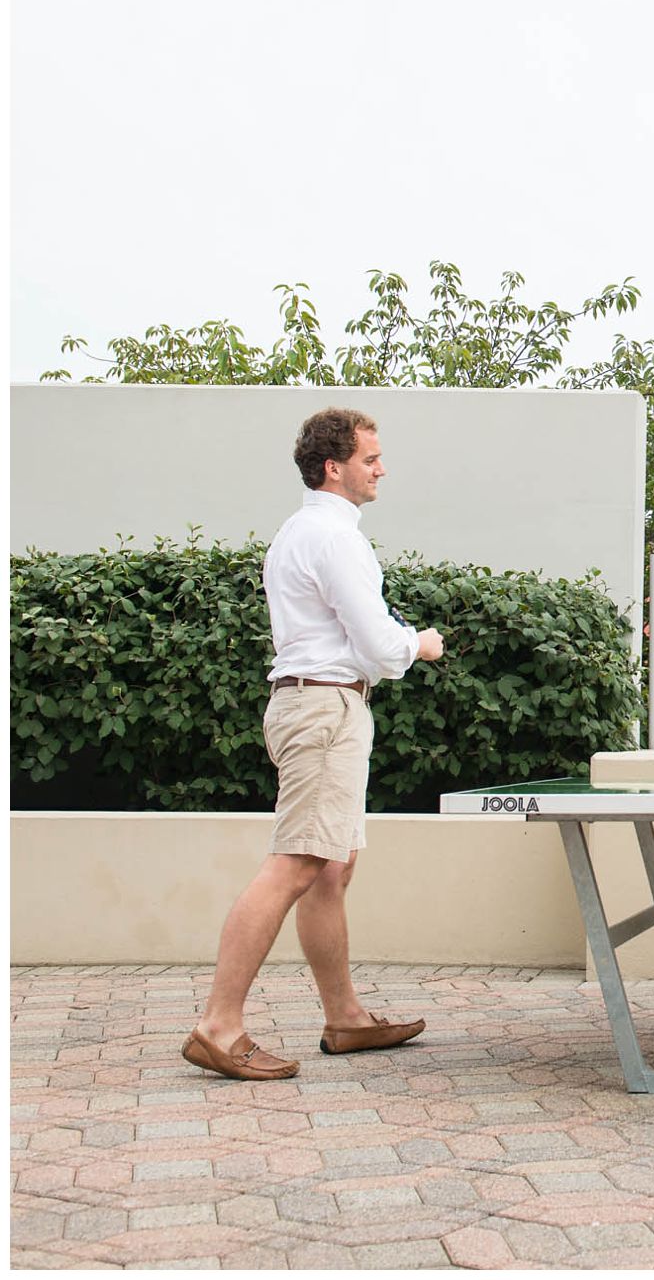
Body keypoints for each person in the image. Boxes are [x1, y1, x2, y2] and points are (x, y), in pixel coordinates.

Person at [182, 409, 447, 1081]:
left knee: (332, 867)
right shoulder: (333, 538)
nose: (381, 468)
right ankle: (219, 1024)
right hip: (325, 709)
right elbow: (382, 647)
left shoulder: (300, 533)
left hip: (315, 704)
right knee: (298, 863)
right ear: (333, 466)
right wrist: (419, 642)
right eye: (370, 458)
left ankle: (346, 1017)